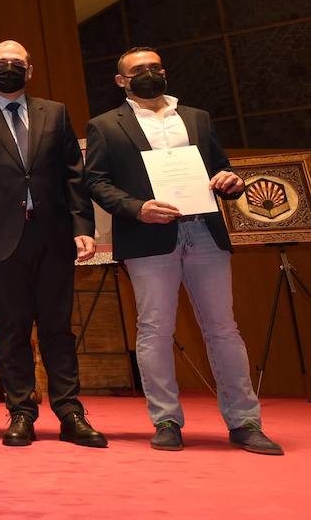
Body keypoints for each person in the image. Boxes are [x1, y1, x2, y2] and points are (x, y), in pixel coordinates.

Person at [84, 47, 282, 454]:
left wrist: (231, 181)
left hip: (205, 233)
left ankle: (245, 420)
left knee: (224, 330)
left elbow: (221, 168)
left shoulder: (196, 118)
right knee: (154, 330)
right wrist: (138, 208)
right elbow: (97, 183)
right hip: (148, 238)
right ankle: (167, 420)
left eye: (155, 68)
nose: (149, 74)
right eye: (139, 70)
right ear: (121, 81)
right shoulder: (105, 126)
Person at [0, 40, 106, 448]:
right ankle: (21, 412)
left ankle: (70, 411)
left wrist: (82, 225)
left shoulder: (55, 112)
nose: (9, 67)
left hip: (53, 235)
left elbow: (75, 174)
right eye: (2, 62)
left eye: (17, 62)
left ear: (30, 70)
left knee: (58, 328)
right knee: (12, 328)